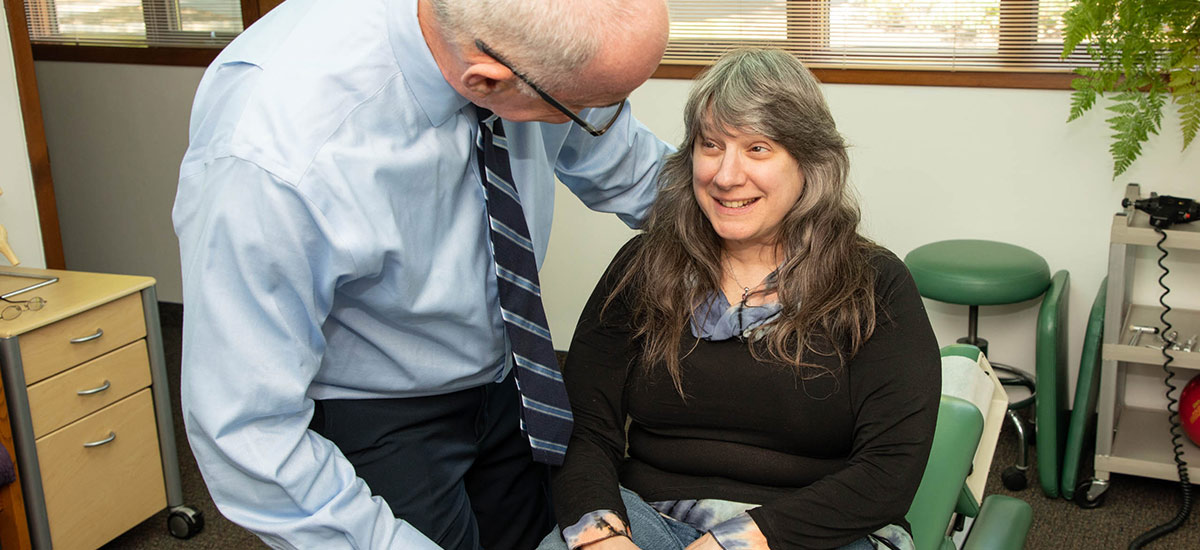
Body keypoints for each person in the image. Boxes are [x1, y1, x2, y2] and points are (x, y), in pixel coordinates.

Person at [172, 0, 672, 548]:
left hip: (513, 373)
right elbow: (247, 429)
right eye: (589, 107)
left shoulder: (517, 42)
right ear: (486, 83)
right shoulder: (275, 159)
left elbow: (627, 163)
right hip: (375, 411)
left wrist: (757, 217)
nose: (605, 120)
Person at [541, 49, 941, 550]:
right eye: (711, 145)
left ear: (810, 160)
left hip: (810, 532)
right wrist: (600, 536)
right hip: (646, 519)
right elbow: (583, 429)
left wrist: (735, 541)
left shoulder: (874, 284)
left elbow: (889, 472)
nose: (726, 175)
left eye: (758, 148)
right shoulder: (644, 267)